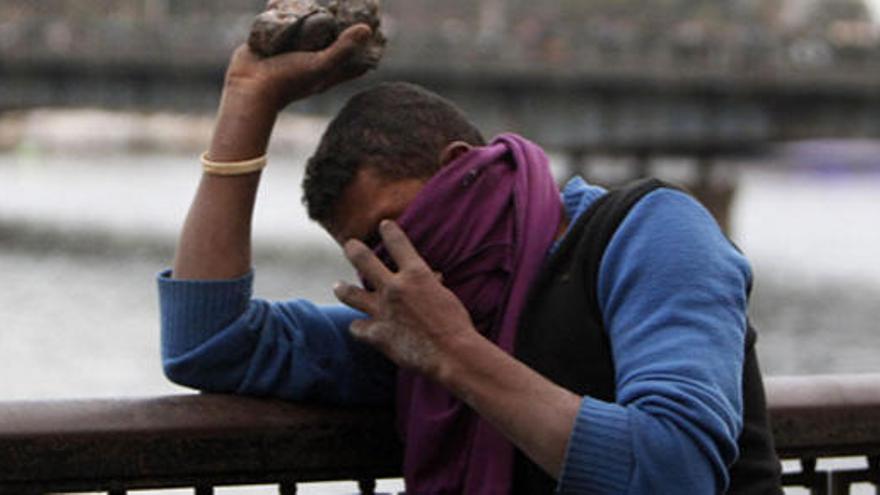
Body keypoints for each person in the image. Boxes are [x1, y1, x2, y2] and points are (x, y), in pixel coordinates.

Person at [158, 24, 782, 494]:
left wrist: (455, 353)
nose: (394, 266)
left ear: (466, 170)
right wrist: (248, 102)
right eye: (369, 252)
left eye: (397, 229)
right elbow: (209, 344)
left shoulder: (646, 233)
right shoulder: (416, 324)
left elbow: (675, 470)